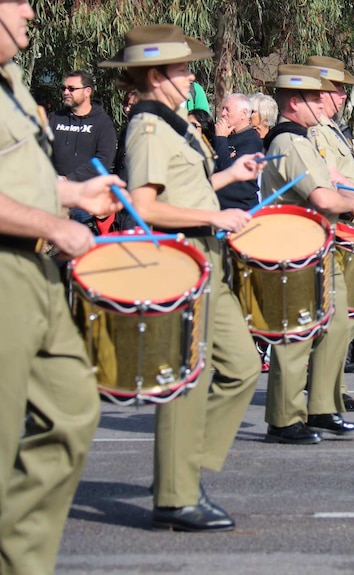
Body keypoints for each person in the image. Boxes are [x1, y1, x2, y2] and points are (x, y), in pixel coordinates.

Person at [100, 23, 264, 531]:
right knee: (188, 380)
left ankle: (181, 471)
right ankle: (175, 494)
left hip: (205, 258)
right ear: (155, 75)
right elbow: (146, 206)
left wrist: (229, 178)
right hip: (181, 257)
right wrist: (215, 217)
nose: (189, 75)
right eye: (180, 68)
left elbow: (187, 190)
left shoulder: (174, 123)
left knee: (240, 367)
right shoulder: (147, 128)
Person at [0, 1, 124, 571]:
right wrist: (56, 224)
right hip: (8, 270)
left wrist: (74, 197)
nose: (29, 9)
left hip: (36, 270)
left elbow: (22, 173)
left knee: (74, 408)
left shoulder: (15, 85)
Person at [260, 64, 354, 445]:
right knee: (296, 333)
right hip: (295, 248)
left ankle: (322, 407)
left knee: (334, 324)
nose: (322, 103)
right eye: (314, 97)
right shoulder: (289, 142)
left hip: (318, 245)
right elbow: (321, 196)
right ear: (294, 101)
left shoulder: (305, 139)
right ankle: (284, 418)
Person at [49, 69, 118, 229]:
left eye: (72, 89)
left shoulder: (103, 123)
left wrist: (68, 179)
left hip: (85, 200)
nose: (66, 92)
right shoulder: (54, 118)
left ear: (87, 91)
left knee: (81, 249)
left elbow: (104, 160)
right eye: (64, 88)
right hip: (54, 195)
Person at [212, 93, 263, 210]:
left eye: (227, 109)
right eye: (223, 109)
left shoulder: (251, 142)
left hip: (240, 210)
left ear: (243, 114)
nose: (223, 113)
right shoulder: (225, 135)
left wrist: (221, 139)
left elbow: (229, 171)